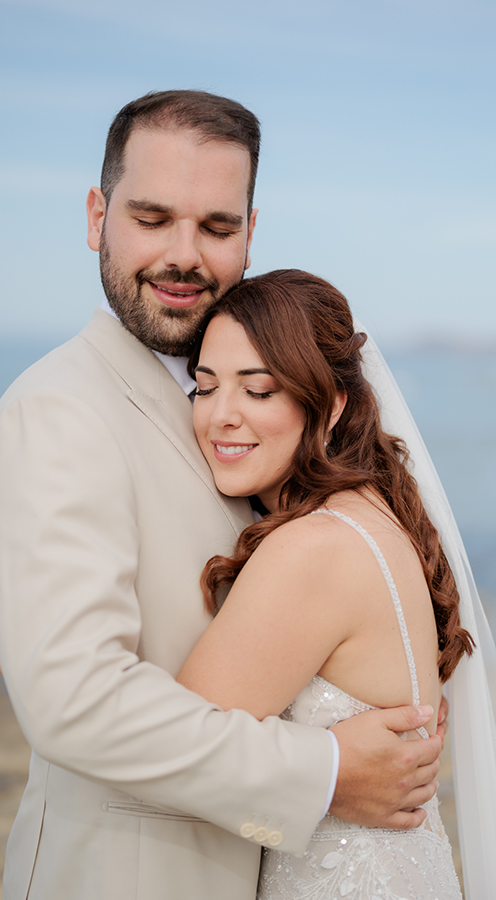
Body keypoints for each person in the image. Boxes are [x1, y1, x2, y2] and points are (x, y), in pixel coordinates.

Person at [0, 91, 445, 900]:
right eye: (152, 219)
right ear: (97, 217)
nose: (185, 254)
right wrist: (326, 771)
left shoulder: (233, 421)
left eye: (217, 227)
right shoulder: (55, 416)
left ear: (250, 234)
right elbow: (74, 704)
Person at [178, 268, 475, 897]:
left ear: (331, 403)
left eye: (257, 391)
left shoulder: (314, 547)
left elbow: (173, 750)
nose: (220, 417)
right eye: (204, 388)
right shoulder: (374, 514)